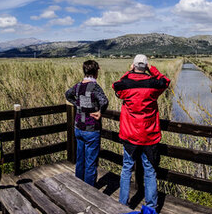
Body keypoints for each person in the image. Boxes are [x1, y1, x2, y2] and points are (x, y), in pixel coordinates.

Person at [113, 54, 170, 211]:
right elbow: (165, 81)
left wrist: (128, 72)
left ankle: (122, 203)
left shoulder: (125, 84)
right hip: (149, 135)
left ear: (133, 66)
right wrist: (152, 69)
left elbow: (116, 85)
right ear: (145, 67)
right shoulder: (153, 84)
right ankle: (151, 206)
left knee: (126, 169)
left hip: (130, 135)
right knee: (150, 171)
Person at [64, 59, 109, 186]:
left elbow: (68, 94)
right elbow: (104, 101)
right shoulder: (94, 86)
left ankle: (79, 186)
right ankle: (89, 190)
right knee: (90, 162)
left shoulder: (78, 86)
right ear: (95, 72)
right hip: (91, 128)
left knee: (80, 159)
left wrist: (77, 105)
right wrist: (100, 112)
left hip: (78, 127)